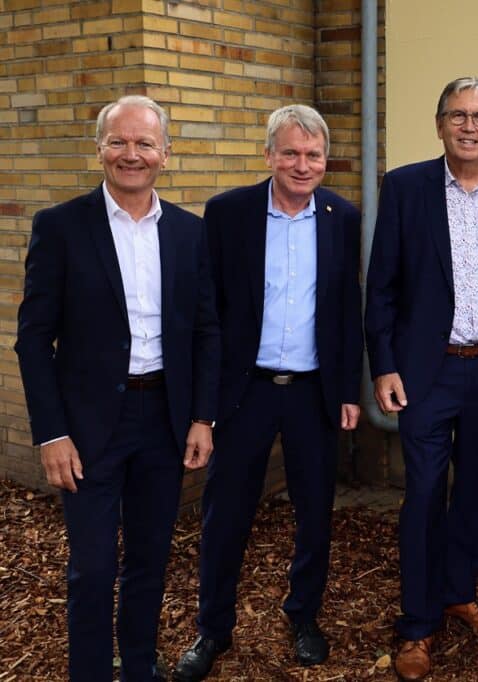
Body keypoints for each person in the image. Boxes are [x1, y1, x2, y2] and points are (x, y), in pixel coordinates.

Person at [15, 95, 220, 681]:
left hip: (165, 419)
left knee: (151, 559)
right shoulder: (59, 227)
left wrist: (203, 417)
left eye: (145, 143)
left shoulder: (188, 233)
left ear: (165, 154)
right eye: (119, 142)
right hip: (87, 426)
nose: (132, 154)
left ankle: (137, 667)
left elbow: (207, 331)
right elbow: (34, 340)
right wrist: (51, 433)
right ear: (99, 148)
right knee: (93, 567)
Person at [174, 105, 363, 681]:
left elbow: (344, 310)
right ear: (268, 155)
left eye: (312, 155)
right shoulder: (229, 213)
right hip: (245, 392)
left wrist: (348, 388)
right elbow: (210, 315)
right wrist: (203, 410)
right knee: (225, 513)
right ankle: (213, 628)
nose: (301, 164)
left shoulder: (342, 217)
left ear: (325, 161)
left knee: (314, 513)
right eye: (290, 153)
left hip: (313, 394)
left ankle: (304, 615)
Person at [365, 76, 478, 681]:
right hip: (426, 373)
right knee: (423, 494)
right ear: (439, 124)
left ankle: (459, 594)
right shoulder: (407, 186)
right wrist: (383, 364)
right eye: (458, 115)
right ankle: (417, 624)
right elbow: (382, 283)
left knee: (474, 491)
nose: (470, 126)